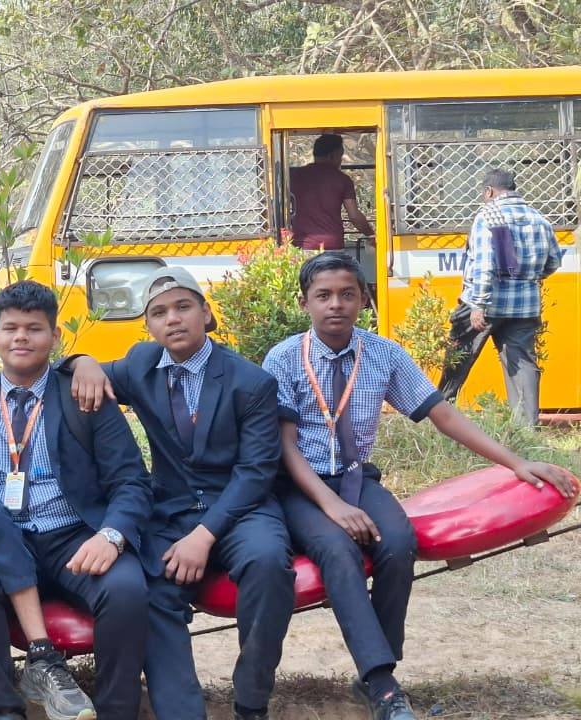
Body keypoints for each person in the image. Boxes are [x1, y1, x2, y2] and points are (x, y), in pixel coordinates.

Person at [262, 252, 578, 720]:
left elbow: (442, 414)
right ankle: (382, 684)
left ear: (364, 299)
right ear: (304, 302)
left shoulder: (384, 354)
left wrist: (516, 463)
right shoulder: (285, 358)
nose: (336, 305)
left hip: (355, 476)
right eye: (323, 295)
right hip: (299, 485)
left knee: (398, 543)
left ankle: (376, 667)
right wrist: (332, 506)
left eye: (347, 294)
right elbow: (284, 446)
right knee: (338, 549)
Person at [66, 267, 295, 720]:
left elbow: (256, 472)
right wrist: (83, 361)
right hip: (170, 513)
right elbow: (71, 371)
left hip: (241, 509)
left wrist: (204, 536)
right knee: (150, 589)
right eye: (159, 313)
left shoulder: (250, 382)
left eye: (183, 306)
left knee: (269, 563)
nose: (172, 319)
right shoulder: (140, 366)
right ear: (148, 327)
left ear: (206, 313)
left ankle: (251, 702)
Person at [0, 281, 152, 720]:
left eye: (34, 328)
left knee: (126, 588)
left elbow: (131, 480)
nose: (21, 337)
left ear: (54, 337)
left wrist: (111, 536)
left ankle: (116, 711)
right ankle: (2, 710)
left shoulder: (84, 396)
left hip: (72, 537)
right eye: (10, 328)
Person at [437, 168, 563, 426]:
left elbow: (485, 265)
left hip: (484, 304)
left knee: (458, 361)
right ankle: (526, 429)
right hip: (524, 306)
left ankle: (440, 419)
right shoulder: (539, 219)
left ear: (488, 191)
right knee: (522, 365)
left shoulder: (488, 216)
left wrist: (478, 305)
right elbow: (553, 262)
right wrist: (526, 280)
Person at [289, 134, 373, 251]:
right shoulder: (342, 179)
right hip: (332, 245)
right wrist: (371, 234)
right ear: (332, 156)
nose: (341, 161)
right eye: (340, 156)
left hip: (302, 245)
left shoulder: (295, 176)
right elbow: (354, 216)